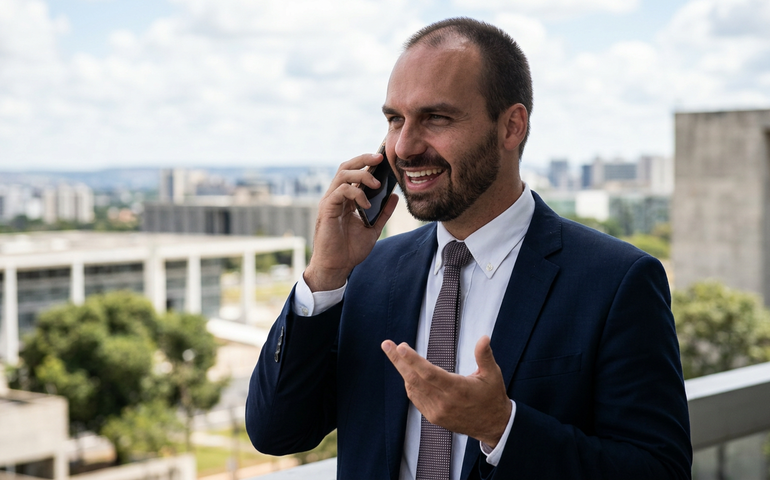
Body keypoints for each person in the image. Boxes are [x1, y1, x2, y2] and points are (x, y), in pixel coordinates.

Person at [246, 17, 692, 480]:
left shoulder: (616, 281)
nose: (405, 147)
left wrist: (503, 428)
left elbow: (660, 471)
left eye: (436, 118)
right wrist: (324, 275)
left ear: (511, 127)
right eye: (395, 120)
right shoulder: (369, 273)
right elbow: (277, 432)